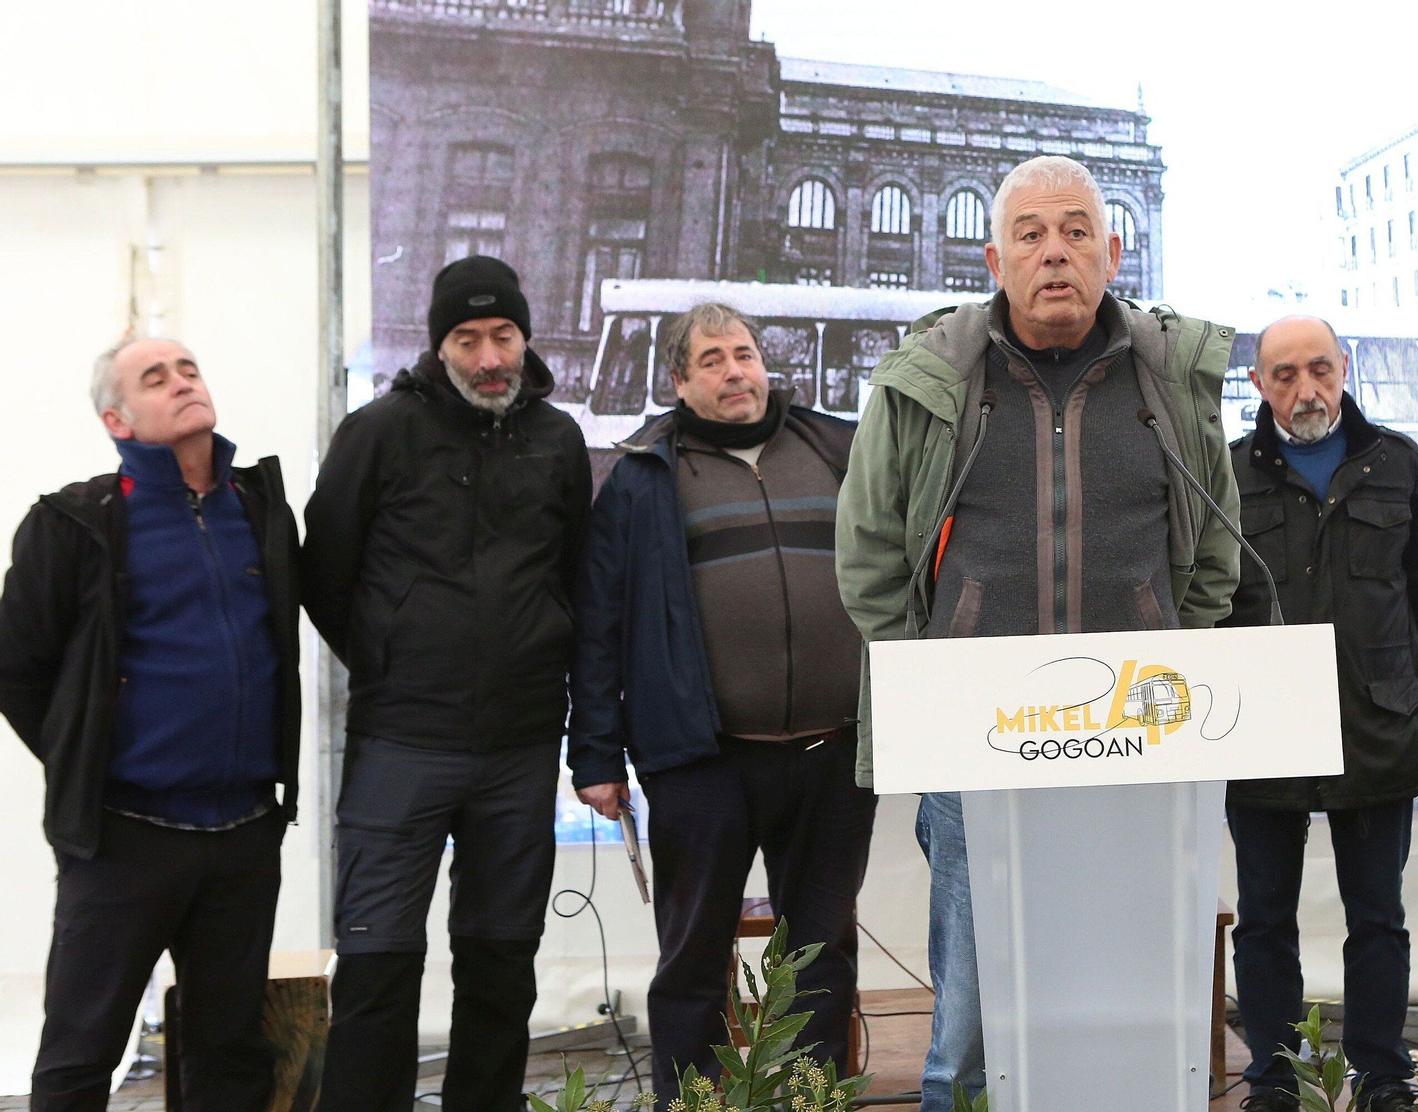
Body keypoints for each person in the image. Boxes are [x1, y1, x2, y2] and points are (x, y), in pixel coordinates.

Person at [834, 154, 1241, 1111]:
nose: (1054, 252)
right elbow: (867, 559)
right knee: (974, 1013)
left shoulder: (1170, 382)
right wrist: (935, 688)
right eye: (1030, 234)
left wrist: (1168, 659)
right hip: (978, 748)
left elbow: (1216, 554)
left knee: (1129, 997)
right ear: (994, 258)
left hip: (1138, 741)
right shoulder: (930, 381)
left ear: (1112, 250)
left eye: (1074, 231)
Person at [303, 255, 591, 1110]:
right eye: (467, 339)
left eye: (502, 335)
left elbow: (577, 576)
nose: (488, 355)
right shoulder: (379, 431)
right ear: (440, 348)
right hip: (401, 742)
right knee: (377, 962)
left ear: (525, 338)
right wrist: (393, 660)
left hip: (522, 745)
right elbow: (325, 573)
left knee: (502, 967)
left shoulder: (559, 440)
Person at [569, 302, 875, 1090]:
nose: (734, 371)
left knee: (821, 955)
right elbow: (598, 627)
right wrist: (596, 754)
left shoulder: (839, 450)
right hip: (701, 763)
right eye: (711, 360)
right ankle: (694, 1105)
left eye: (743, 354)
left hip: (833, 754)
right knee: (694, 958)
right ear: (679, 381)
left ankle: (812, 1102)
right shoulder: (641, 479)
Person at [0, 337, 300, 1110]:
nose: (182, 383)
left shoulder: (258, 507)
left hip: (242, 833)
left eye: (190, 368)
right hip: (125, 837)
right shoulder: (74, 523)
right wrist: (87, 756)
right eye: (155, 378)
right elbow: (17, 669)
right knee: (80, 1053)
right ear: (118, 418)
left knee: (229, 1054)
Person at [1221, 316, 1418, 1112]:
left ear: (1345, 368)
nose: (1305, 389)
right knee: (1263, 921)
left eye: (1319, 369)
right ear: (1258, 385)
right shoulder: (1223, 480)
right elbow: (1205, 608)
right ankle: (1275, 1079)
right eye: (1284, 375)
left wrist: (1387, 677)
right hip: (1260, 737)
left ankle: (1383, 1078)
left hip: (1377, 731)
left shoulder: (1401, 467)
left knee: (1377, 919)